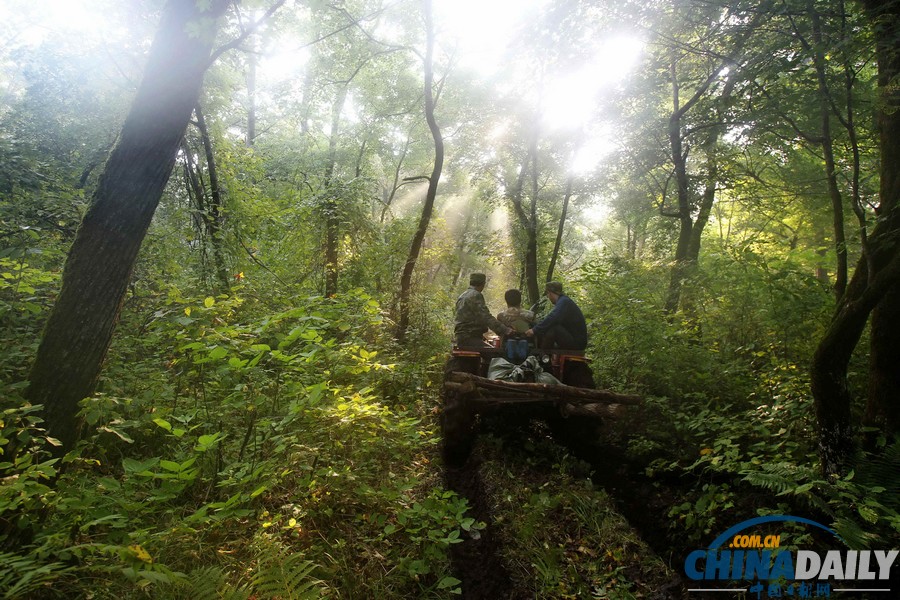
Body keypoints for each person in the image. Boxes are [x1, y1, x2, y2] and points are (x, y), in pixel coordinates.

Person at [454, 273, 513, 347]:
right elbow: (486, 317)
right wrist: (505, 330)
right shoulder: (476, 295)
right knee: (494, 354)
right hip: (469, 337)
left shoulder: (462, 295)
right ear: (483, 284)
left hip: (461, 336)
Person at [526, 281, 587, 351]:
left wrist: (534, 330)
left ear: (550, 293)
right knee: (548, 325)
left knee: (553, 327)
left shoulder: (564, 301)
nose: (548, 297)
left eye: (548, 294)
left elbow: (553, 317)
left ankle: (542, 355)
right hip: (574, 339)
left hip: (577, 343)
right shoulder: (563, 301)